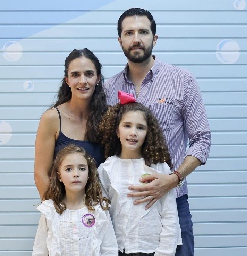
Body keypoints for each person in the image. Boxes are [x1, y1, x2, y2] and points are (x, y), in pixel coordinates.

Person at [104, 8, 212, 255]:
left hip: (173, 202)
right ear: (120, 40)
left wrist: (172, 179)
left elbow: (202, 140)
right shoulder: (109, 89)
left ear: (155, 37)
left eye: (143, 31)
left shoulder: (182, 81)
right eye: (129, 33)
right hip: (124, 209)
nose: (136, 38)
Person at [97, 92, 182, 255]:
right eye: (127, 125)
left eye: (140, 127)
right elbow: (103, 216)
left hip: (152, 249)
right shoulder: (106, 169)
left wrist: (165, 252)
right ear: (117, 131)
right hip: (118, 249)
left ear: (148, 133)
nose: (133, 132)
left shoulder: (160, 168)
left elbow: (170, 215)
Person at [34, 48, 108, 198]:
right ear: (67, 80)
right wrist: (59, 213)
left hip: (102, 212)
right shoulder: (52, 118)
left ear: (98, 78)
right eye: (75, 75)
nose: (82, 81)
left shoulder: (109, 118)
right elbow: (41, 174)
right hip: (63, 213)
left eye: (89, 74)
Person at [32, 144, 118, 256]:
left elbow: (109, 250)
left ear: (88, 174)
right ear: (59, 176)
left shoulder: (99, 209)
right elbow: (39, 251)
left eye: (82, 168)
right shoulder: (50, 210)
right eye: (68, 169)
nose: (76, 174)